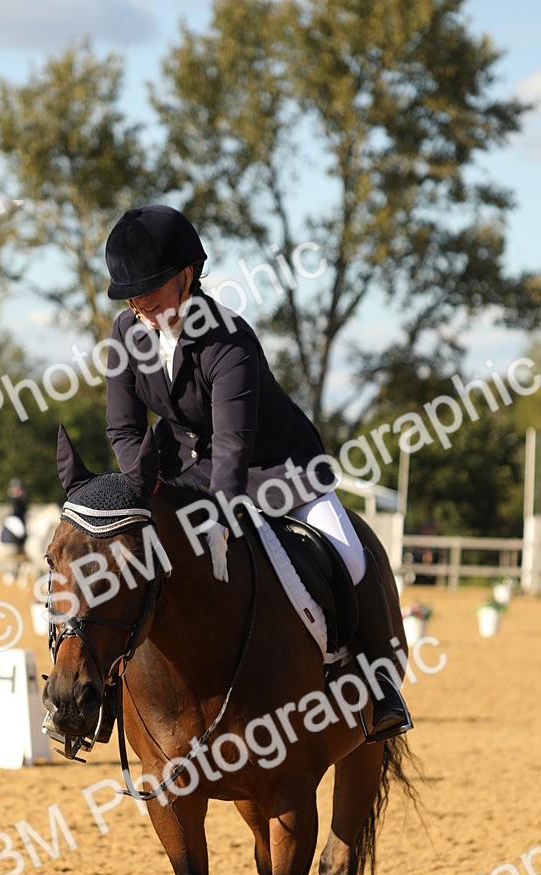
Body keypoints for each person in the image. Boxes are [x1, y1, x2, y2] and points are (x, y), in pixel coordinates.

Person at [103, 203, 411, 741]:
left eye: (152, 295)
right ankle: (103, 690)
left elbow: (233, 443)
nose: (142, 309)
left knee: (351, 553)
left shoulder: (229, 339)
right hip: (177, 469)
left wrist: (221, 515)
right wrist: (139, 490)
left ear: (187, 276)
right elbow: (124, 431)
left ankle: (379, 686)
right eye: (133, 299)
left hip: (276, 467)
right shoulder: (125, 332)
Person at [1, 478, 28, 554]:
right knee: (21, 532)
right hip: (14, 518)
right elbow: (17, 509)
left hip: (20, 518)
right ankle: (18, 549)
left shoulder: (22, 497)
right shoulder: (14, 497)